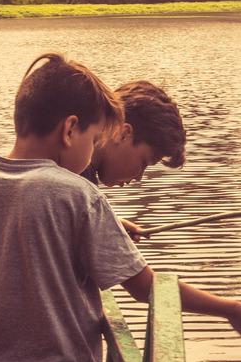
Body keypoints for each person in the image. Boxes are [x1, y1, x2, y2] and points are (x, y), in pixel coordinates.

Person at [0, 53, 241, 362]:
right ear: (70, 129)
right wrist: (230, 308)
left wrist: (91, 232)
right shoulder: (79, 195)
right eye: (94, 136)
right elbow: (143, 286)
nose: (96, 144)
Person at [79, 80, 187, 241]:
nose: (138, 177)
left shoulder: (75, 169)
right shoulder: (80, 186)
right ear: (122, 134)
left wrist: (105, 224)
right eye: (143, 163)